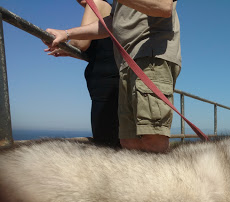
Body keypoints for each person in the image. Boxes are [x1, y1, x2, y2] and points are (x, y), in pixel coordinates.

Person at [46, 0, 181, 153]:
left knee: (152, 139)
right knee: (128, 141)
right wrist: (67, 33)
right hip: (125, 64)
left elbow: (163, 6)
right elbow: (111, 23)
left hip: (150, 58)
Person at [47, 0, 120, 148]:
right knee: (116, 137)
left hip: (105, 84)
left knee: (105, 141)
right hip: (113, 79)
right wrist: (68, 52)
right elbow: (100, 51)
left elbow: (81, 44)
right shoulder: (110, 8)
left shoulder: (96, 3)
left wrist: (62, 41)